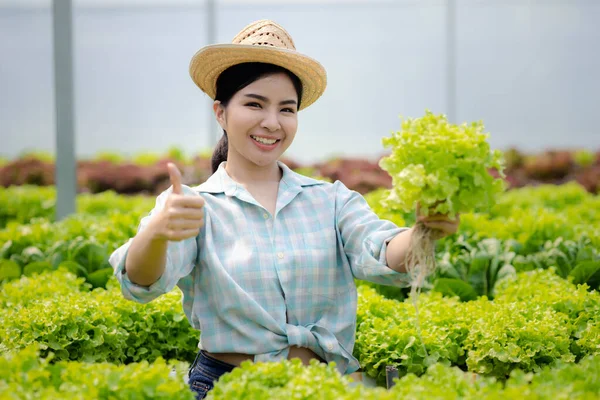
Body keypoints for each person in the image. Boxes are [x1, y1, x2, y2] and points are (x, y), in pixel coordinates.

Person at [109, 19, 459, 399]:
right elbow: (140, 282)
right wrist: (157, 231)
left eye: (286, 109)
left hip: (325, 388)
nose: (272, 123)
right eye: (254, 104)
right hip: (227, 387)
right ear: (220, 113)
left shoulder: (331, 200)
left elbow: (383, 252)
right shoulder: (193, 206)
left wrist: (425, 230)